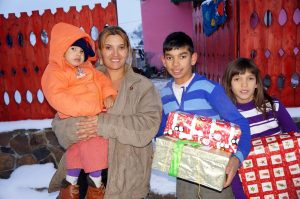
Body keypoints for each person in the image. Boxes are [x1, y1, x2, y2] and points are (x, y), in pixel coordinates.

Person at [47, 26, 162, 199]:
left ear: (128, 51)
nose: (115, 54)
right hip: (82, 178)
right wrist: (80, 129)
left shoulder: (143, 87)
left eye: (121, 47)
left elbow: (147, 126)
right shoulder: (81, 77)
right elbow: (59, 124)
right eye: (108, 47)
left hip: (126, 180)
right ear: (99, 52)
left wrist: (102, 124)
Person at [157, 31, 251, 199]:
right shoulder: (164, 94)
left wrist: (236, 159)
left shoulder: (209, 89)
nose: (176, 64)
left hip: (215, 173)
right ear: (163, 61)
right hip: (184, 174)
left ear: (193, 58)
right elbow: (163, 130)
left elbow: (240, 123)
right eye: (170, 58)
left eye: (182, 56)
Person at [41, 22, 117, 199]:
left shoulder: (88, 69)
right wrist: (94, 108)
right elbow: (57, 97)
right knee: (94, 142)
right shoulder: (55, 71)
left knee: (79, 147)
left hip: (91, 113)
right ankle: (96, 182)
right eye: (73, 48)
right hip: (76, 115)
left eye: (82, 51)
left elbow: (103, 81)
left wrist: (109, 94)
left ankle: (70, 183)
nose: (78, 54)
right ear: (61, 49)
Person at [222, 57, 299, 198]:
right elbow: (231, 160)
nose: (244, 85)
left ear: (257, 83)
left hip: (282, 176)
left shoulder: (273, 105)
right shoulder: (226, 116)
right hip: (248, 182)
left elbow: (294, 138)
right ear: (229, 84)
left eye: (250, 78)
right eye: (237, 79)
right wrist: (240, 195)